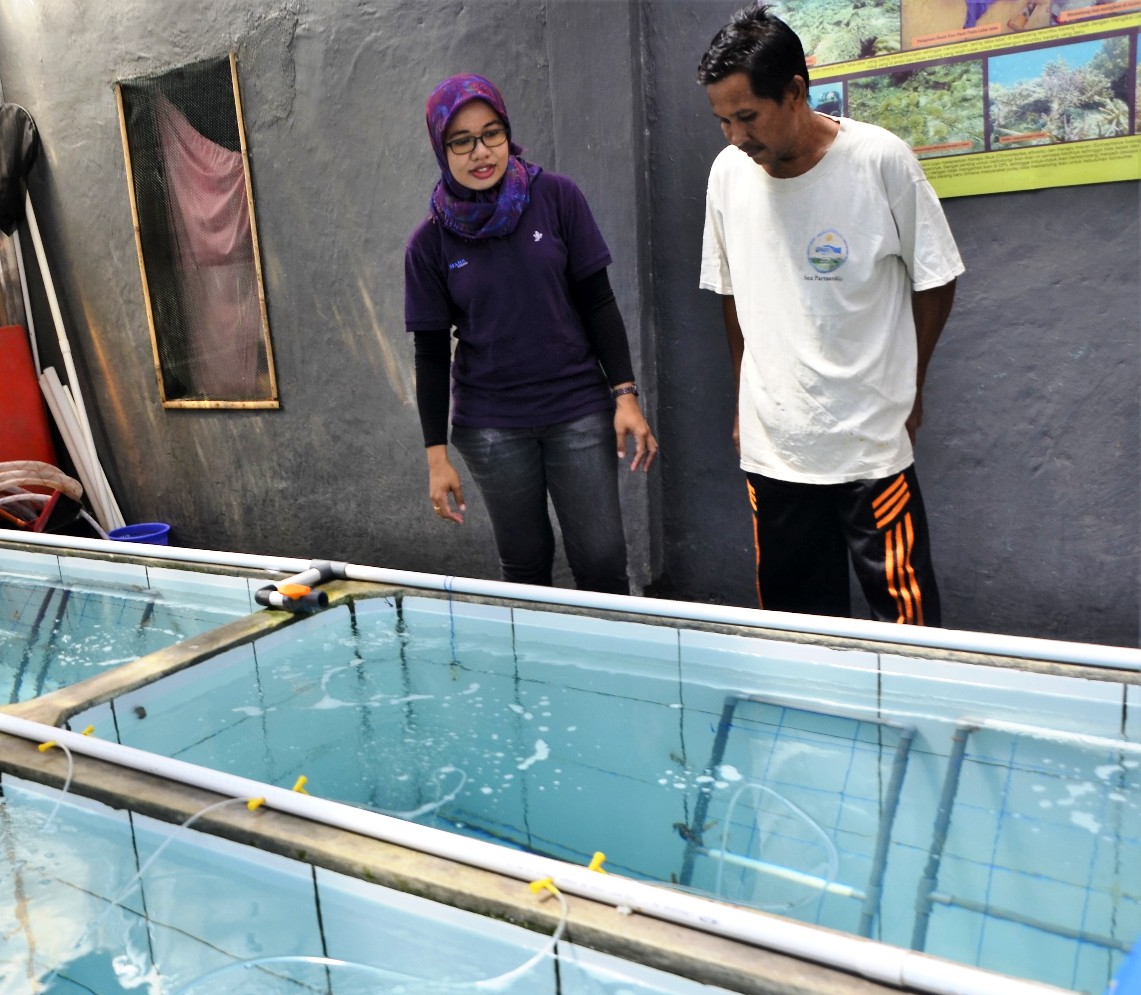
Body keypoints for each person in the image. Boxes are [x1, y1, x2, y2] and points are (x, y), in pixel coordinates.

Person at [698, 6, 963, 625]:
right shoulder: (727, 175)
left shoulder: (880, 161)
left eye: (747, 117)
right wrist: (744, 394)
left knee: (908, 627)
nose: (736, 137)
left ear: (794, 91)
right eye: (722, 121)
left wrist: (912, 385)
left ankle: (910, 722)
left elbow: (936, 279)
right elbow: (731, 293)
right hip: (776, 448)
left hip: (870, 445)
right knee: (796, 629)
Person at [404, 74, 658, 592]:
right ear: (441, 148)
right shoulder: (428, 244)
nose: (481, 152)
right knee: (524, 567)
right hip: (491, 425)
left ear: (507, 132)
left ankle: (609, 671)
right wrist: (436, 457)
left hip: (578, 411)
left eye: (492, 133)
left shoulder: (557, 197)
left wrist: (625, 395)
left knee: (602, 561)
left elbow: (598, 303)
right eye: (462, 141)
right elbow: (430, 354)